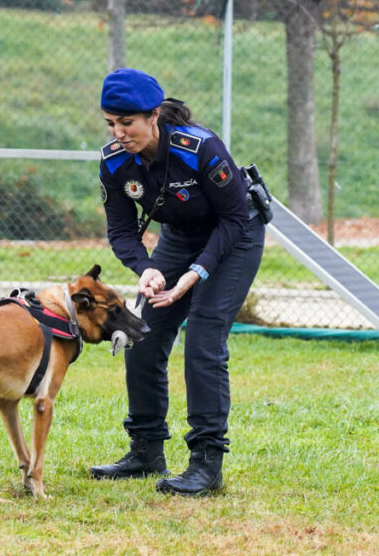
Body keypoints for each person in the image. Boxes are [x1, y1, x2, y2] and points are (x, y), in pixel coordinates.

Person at [89, 67, 265, 496]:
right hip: (180, 238)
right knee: (140, 335)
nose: (119, 133)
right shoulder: (114, 161)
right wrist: (146, 268)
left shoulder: (199, 147)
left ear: (153, 116)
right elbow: (121, 232)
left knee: (204, 338)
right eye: (111, 123)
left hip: (234, 236)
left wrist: (194, 274)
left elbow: (235, 218)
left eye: (127, 123)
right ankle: (146, 450)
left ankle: (207, 463)